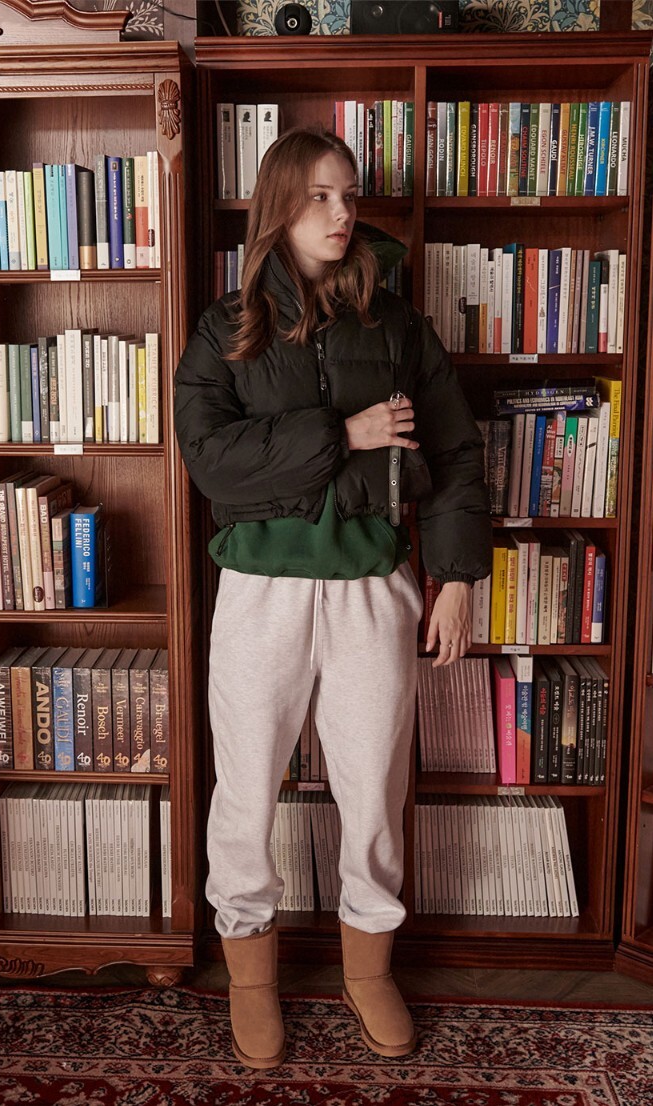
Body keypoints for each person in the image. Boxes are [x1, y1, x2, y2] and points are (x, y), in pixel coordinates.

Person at [174, 126, 492, 1070]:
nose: (342, 211)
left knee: (374, 791)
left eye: (348, 193)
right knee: (244, 792)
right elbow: (211, 464)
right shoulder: (225, 328)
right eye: (319, 195)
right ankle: (251, 978)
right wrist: (342, 434)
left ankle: (367, 969)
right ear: (279, 205)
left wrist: (456, 579)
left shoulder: (397, 326)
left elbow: (455, 455)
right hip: (259, 592)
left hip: (370, 589)